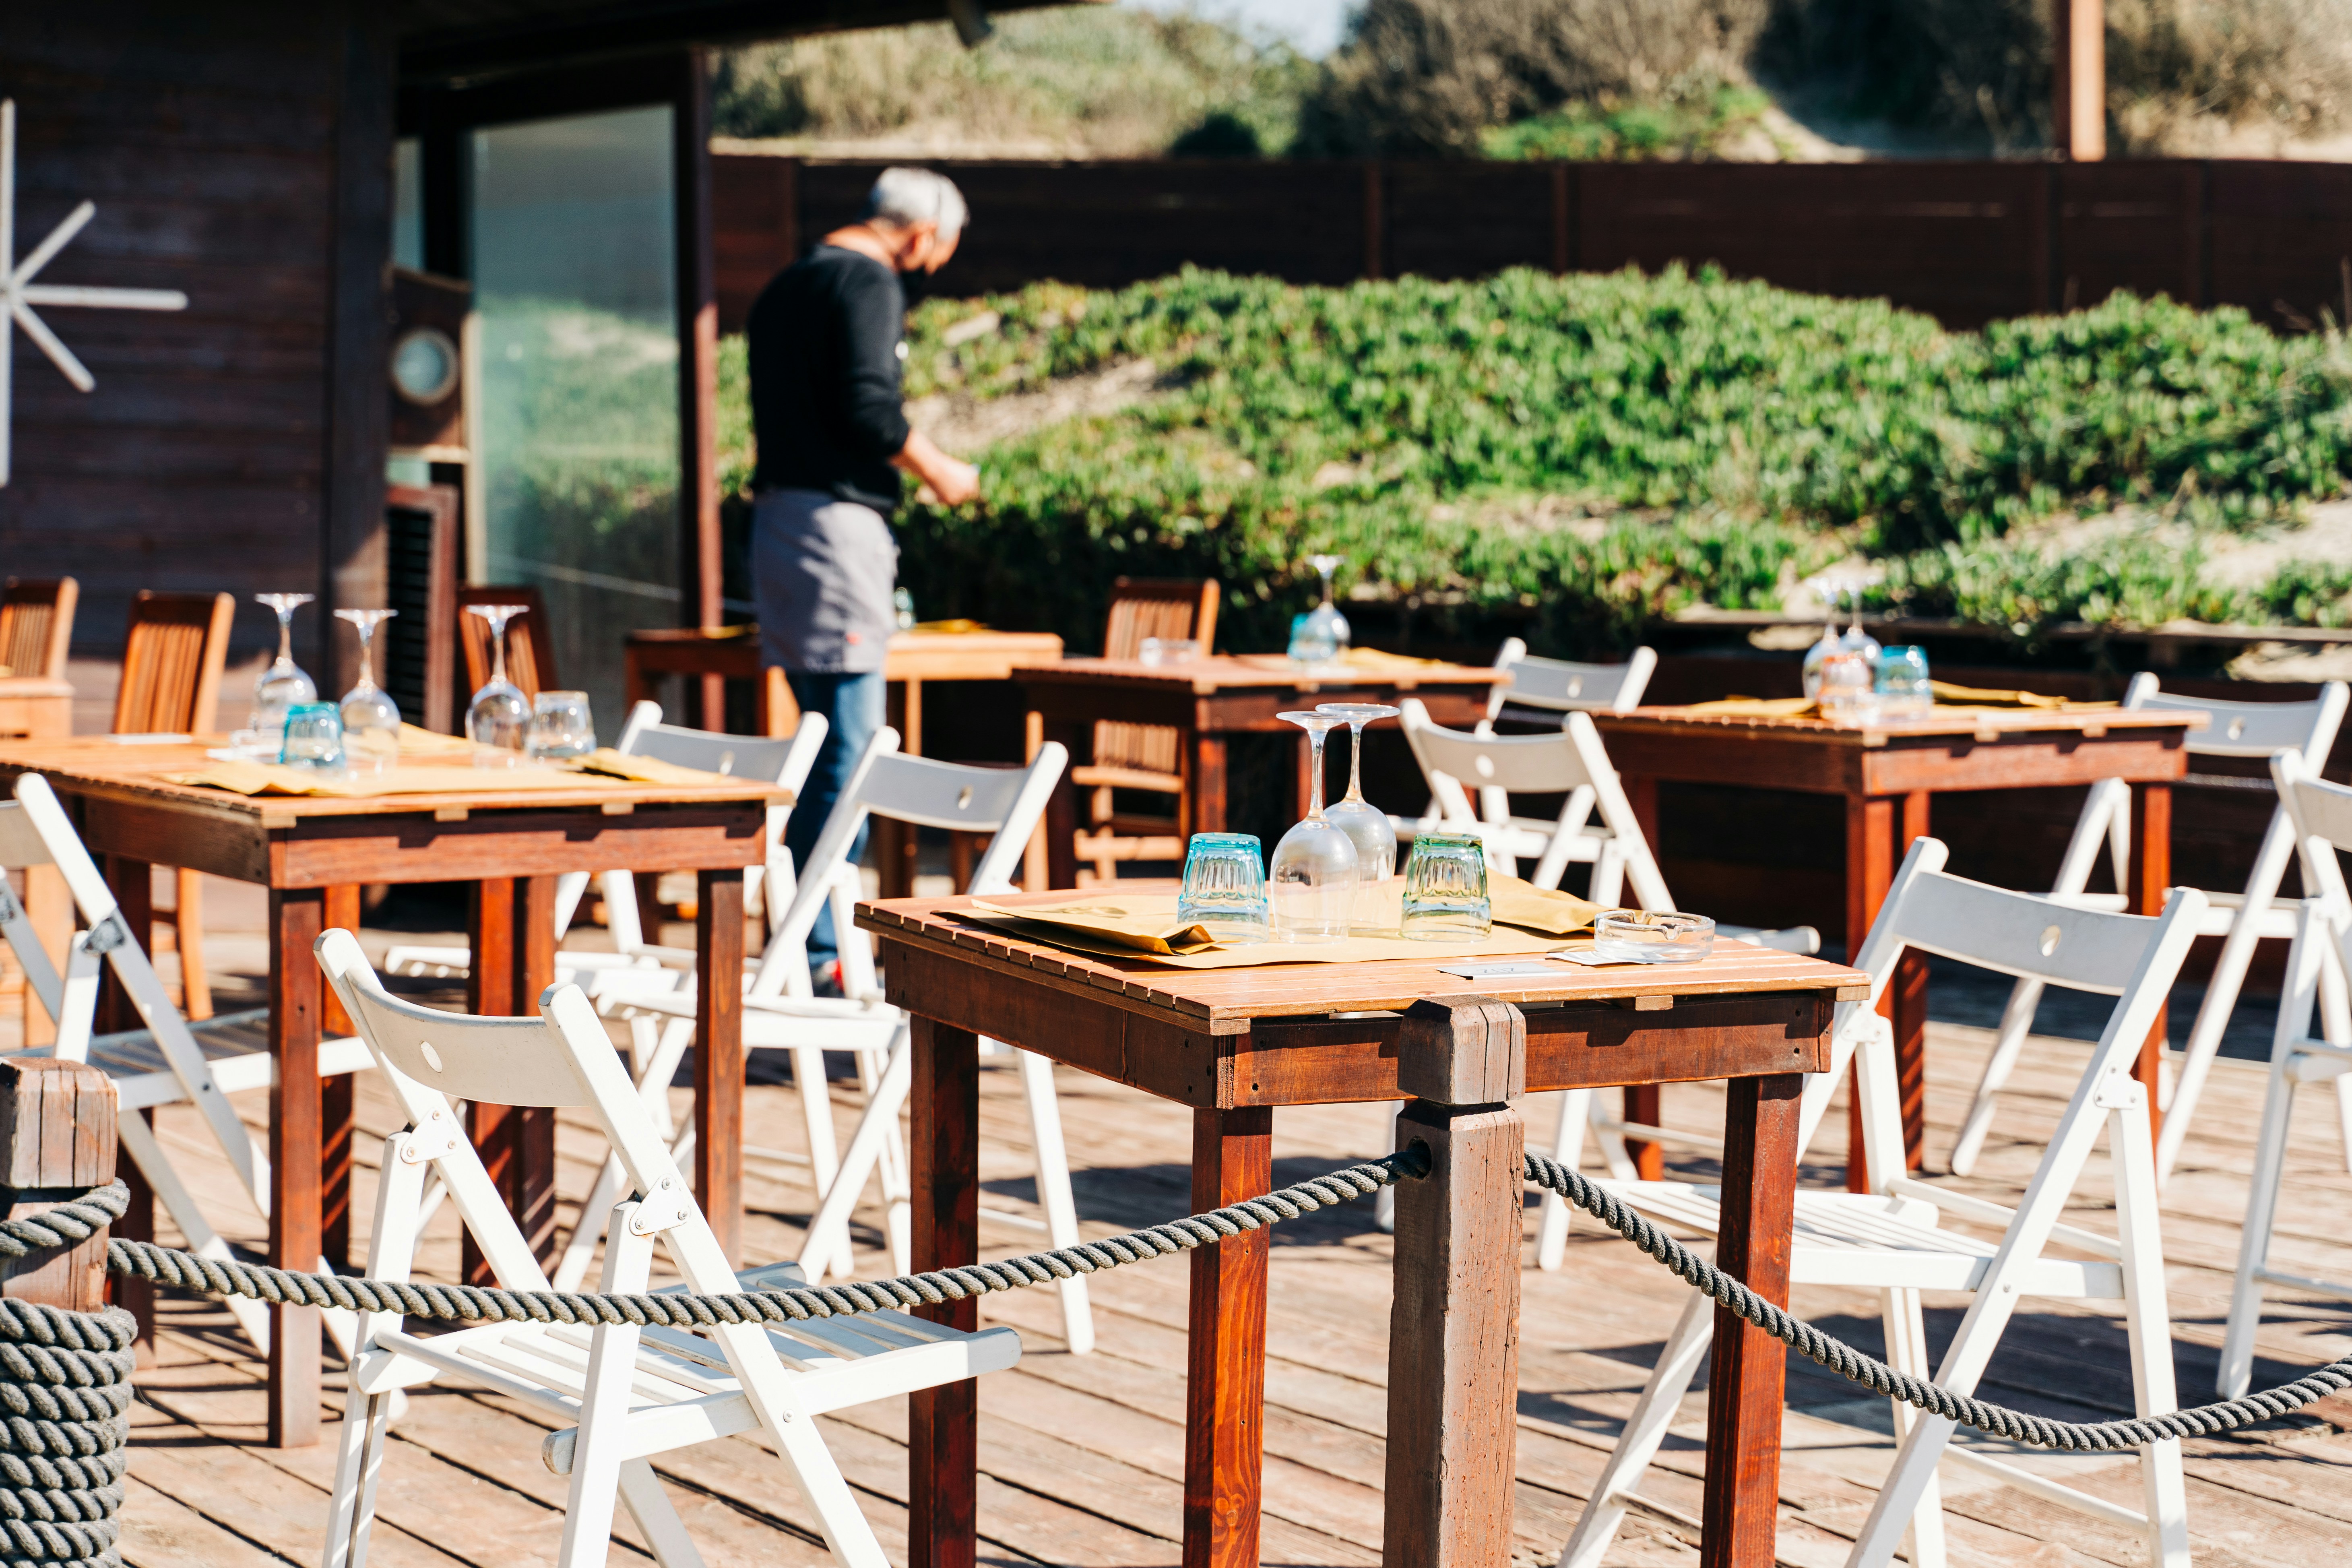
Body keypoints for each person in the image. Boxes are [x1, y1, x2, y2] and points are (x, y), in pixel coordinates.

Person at [746, 167, 979, 989]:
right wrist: (942, 470)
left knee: (819, 751)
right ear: (919, 236)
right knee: (848, 754)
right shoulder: (867, 280)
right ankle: (818, 957)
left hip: (778, 525)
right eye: (939, 253)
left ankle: (805, 947)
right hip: (832, 531)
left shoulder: (786, 285)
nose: (932, 269)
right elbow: (871, 410)